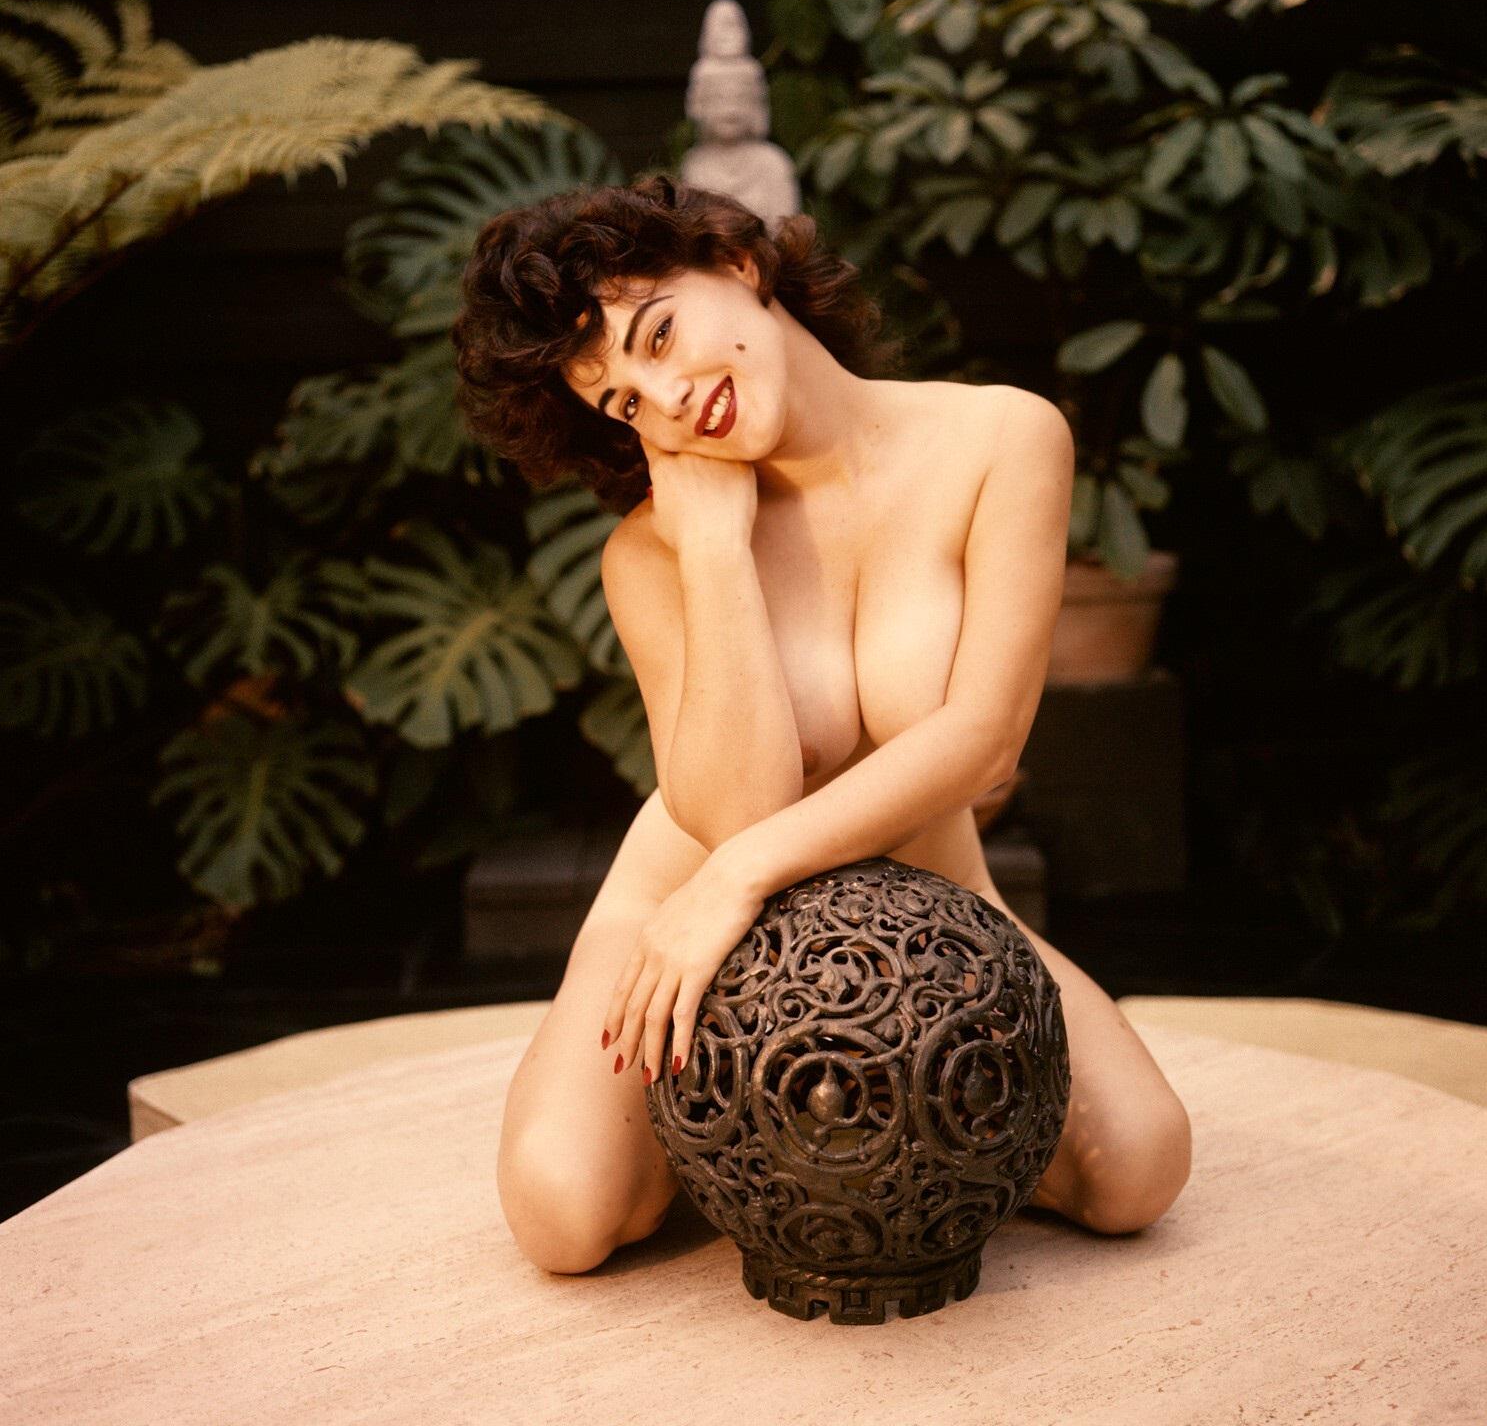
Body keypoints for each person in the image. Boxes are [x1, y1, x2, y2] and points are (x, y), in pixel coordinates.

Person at [451, 174, 1191, 1275]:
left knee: (1137, 1169)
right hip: (688, 907)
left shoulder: (999, 437)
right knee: (567, 1217)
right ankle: (728, 1119)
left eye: (659, 336)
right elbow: (736, 808)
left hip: (924, 906)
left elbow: (984, 742)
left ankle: (771, 1113)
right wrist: (714, 547)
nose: (665, 399)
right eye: (624, 404)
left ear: (738, 263)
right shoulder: (649, 551)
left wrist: (742, 875)